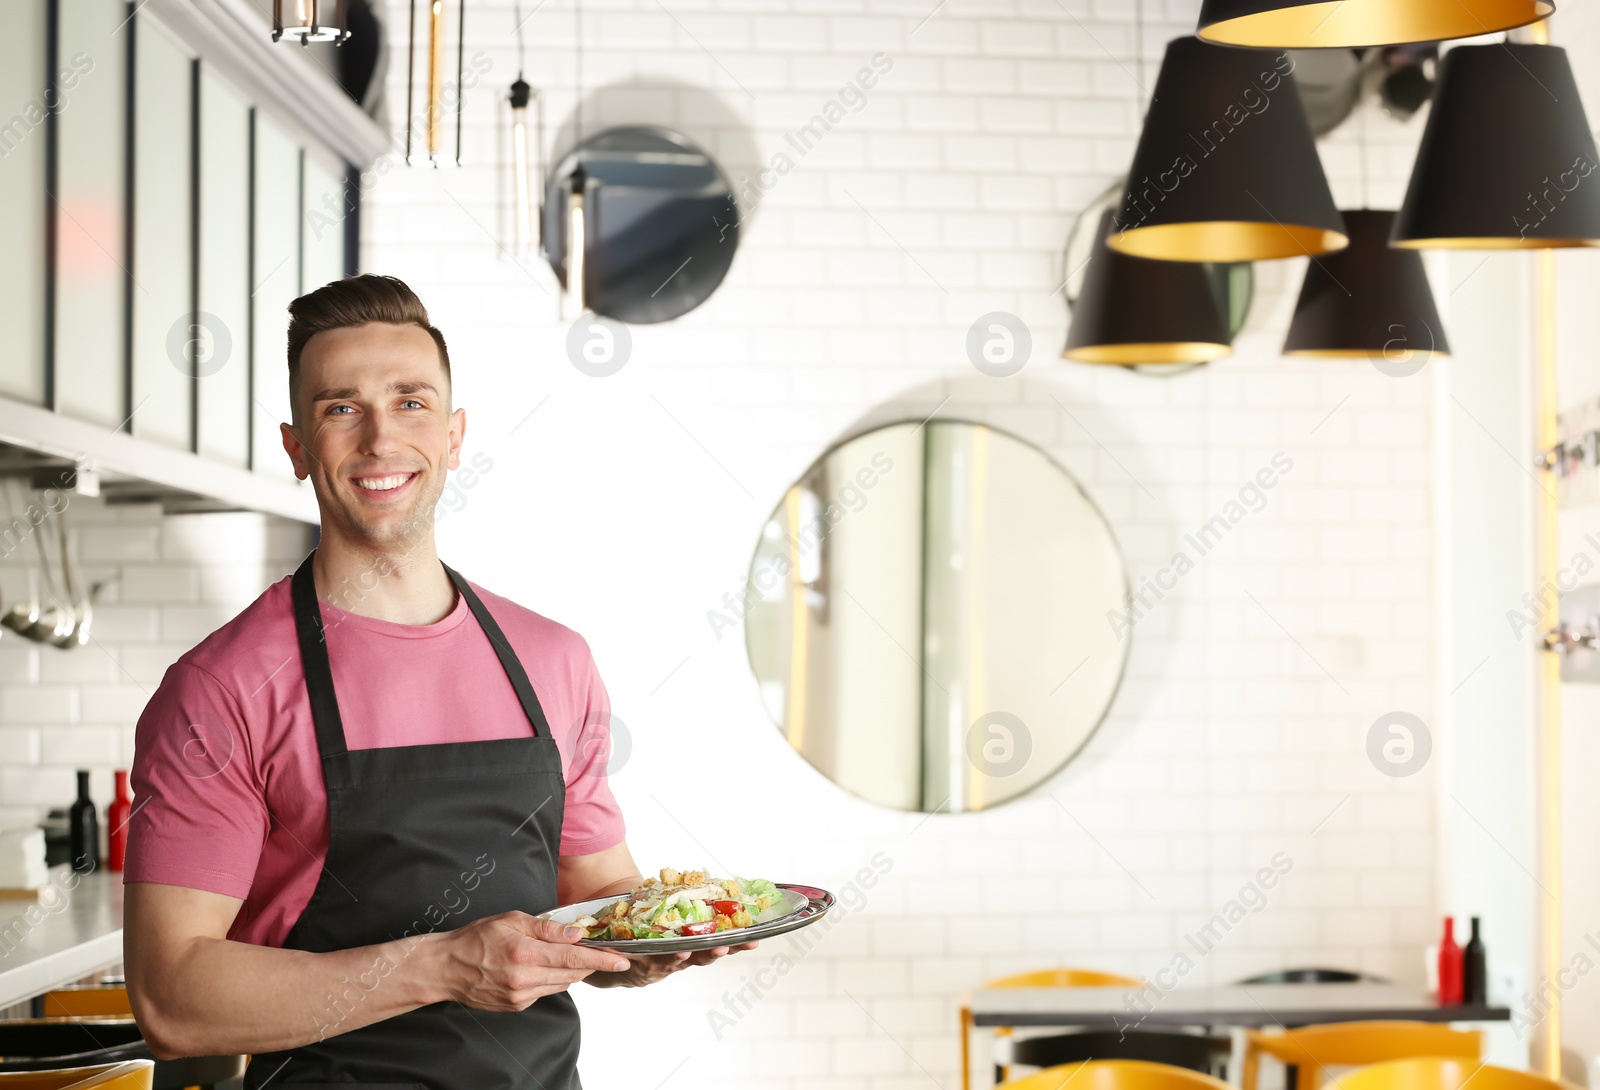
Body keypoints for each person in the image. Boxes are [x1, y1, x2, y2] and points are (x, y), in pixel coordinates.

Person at [123, 274, 749, 1089]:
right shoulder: (222, 688)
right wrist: (447, 966)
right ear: (297, 447)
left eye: (411, 402)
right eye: (340, 408)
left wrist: (650, 945)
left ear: (455, 436)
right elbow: (172, 1003)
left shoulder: (553, 660)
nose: (381, 438)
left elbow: (595, 889)